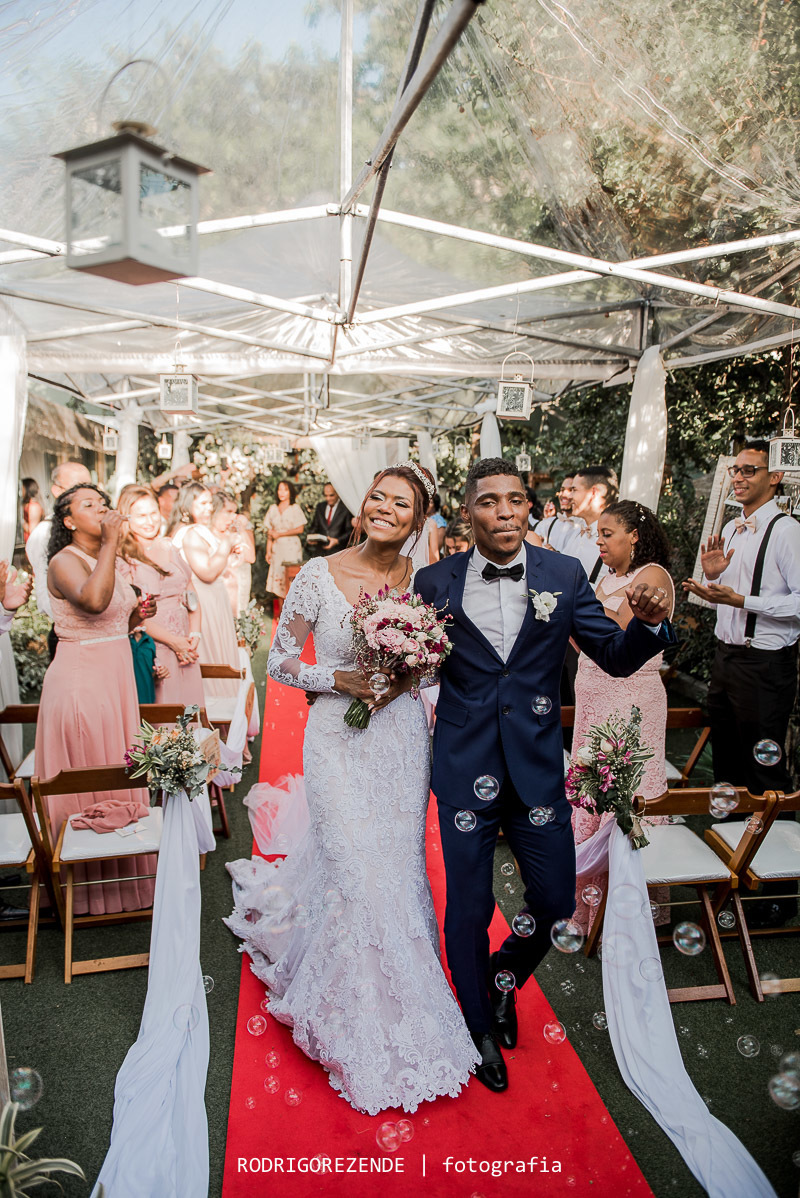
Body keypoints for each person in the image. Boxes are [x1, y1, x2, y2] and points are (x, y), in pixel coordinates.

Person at [225, 462, 480, 1115]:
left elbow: (431, 671)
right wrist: (340, 681)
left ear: (420, 520)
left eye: (402, 503)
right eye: (378, 497)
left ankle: (406, 1004)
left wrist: (407, 677)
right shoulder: (317, 573)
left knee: (394, 872)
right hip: (337, 737)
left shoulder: (423, 582)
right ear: (363, 504)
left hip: (399, 741)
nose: (385, 508)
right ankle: (349, 1021)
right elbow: (282, 660)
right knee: (354, 874)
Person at [414, 458, 673, 1093]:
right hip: (464, 767)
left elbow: (612, 658)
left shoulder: (562, 573)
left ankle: (503, 977)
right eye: (488, 502)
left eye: (516, 500)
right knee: (468, 910)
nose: (504, 511)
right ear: (467, 513)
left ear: (528, 508)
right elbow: (414, 668)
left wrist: (648, 622)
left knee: (556, 900)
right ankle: (478, 1024)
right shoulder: (431, 582)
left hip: (536, 770)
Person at [684, 439, 800, 926]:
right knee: (727, 769)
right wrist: (709, 590)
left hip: (766, 666)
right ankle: (731, 869)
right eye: (735, 470)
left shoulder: (788, 530)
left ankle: (780, 889)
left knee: (765, 774)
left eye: (750, 470)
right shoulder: (732, 527)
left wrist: (741, 599)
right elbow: (724, 601)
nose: (739, 478)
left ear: (775, 478)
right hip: (728, 660)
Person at [35, 484, 157, 915]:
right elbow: (92, 600)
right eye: (89, 504)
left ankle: (126, 888)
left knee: (114, 768)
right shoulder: (63, 561)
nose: (102, 507)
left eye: (102, 501)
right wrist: (110, 542)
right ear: (68, 521)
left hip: (114, 680)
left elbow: (110, 622)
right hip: (82, 685)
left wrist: (139, 616)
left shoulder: (107, 558)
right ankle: (89, 893)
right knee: (91, 771)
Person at [570, 500, 675, 935]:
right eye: (597, 533)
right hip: (593, 695)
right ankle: (588, 908)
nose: (599, 541)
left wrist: (574, 608)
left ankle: (629, 913)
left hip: (630, 700)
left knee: (627, 788)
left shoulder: (651, 577)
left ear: (633, 535)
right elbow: (584, 642)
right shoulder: (605, 579)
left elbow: (624, 641)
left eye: (607, 532)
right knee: (591, 787)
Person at [116, 485, 204, 709]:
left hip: (186, 643)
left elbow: (191, 592)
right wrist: (174, 643)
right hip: (155, 645)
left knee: (189, 709)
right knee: (165, 711)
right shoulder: (123, 558)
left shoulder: (169, 545)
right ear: (127, 517)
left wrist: (194, 634)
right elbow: (132, 615)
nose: (150, 521)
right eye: (141, 515)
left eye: (153, 513)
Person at [168, 483, 241, 701]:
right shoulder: (190, 533)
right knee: (211, 657)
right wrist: (227, 542)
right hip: (204, 603)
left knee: (219, 654)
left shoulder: (199, 530)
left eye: (210, 503)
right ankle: (217, 710)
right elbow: (207, 572)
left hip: (214, 600)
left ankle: (226, 713)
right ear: (187, 505)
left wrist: (226, 551)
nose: (209, 508)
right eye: (202, 503)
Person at [25, 460, 92, 624]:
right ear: (57, 490)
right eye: (77, 488)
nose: (86, 495)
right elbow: (45, 591)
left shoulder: (95, 527)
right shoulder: (44, 533)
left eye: (89, 487)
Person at [562, 465, 620, 583]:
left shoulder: (615, 542)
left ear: (593, 493)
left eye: (574, 490)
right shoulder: (577, 533)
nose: (569, 496)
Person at [211, 491, 256, 616]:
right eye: (229, 512)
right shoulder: (206, 535)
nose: (233, 517)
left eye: (234, 512)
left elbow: (251, 557)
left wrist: (241, 529)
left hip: (237, 591)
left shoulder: (234, 532)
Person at [264, 480, 306, 604]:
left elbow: (300, 529)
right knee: (278, 578)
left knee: (291, 579)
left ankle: (293, 611)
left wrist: (280, 534)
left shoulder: (295, 508)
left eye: (285, 490)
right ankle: (281, 611)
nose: (282, 493)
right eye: (280, 489)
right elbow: (270, 533)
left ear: (290, 492)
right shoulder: (273, 508)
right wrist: (268, 551)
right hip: (277, 548)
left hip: (291, 548)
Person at [305, 482, 352, 557]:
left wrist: (337, 541)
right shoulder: (320, 506)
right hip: (320, 552)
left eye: (331, 495)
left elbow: (350, 531)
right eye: (325, 495)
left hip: (338, 552)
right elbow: (314, 526)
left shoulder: (346, 508)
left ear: (338, 493)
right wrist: (311, 538)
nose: (328, 498)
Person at [21, 478, 44, 543]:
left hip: (32, 541)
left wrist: (20, 522)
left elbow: (32, 530)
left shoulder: (34, 506)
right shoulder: (27, 504)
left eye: (22, 488)